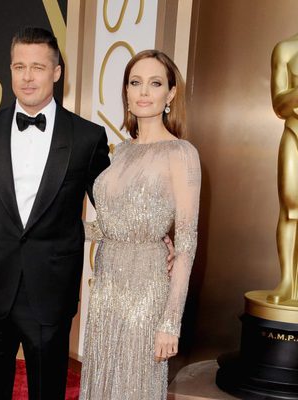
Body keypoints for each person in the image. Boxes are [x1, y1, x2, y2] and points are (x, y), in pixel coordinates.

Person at [0, 27, 111, 400]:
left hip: (51, 291)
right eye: (19, 66)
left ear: (56, 72)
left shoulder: (88, 137)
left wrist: (155, 236)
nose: (27, 77)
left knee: (47, 391)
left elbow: (111, 205)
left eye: (38, 67)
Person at [80, 50, 201, 400]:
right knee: (102, 381)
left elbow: (188, 243)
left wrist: (170, 321)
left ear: (171, 94)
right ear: (127, 93)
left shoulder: (182, 153)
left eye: (155, 83)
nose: (144, 91)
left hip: (147, 290)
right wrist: (55, 230)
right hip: (106, 287)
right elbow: (108, 226)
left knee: (134, 385)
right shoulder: (121, 152)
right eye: (135, 83)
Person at [267, 33, 298, 304]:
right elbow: (278, 104)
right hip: (294, 132)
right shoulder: (286, 49)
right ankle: (287, 279)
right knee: (290, 208)